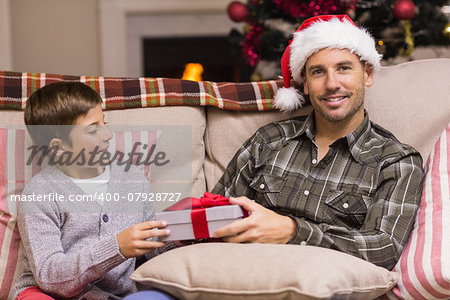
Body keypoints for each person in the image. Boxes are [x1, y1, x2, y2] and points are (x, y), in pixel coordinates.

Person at [211, 15, 424, 270]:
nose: (332, 84)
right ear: (306, 84)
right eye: (318, 72)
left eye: (344, 68)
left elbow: (383, 248)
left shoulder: (396, 161)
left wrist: (292, 231)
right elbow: (213, 215)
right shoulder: (268, 140)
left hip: (326, 283)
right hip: (246, 272)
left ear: (367, 74)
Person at [12, 82, 175, 299]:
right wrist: (116, 247)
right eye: (93, 129)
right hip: (50, 292)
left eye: (104, 122)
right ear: (59, 147)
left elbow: (151, 246)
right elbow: (49, 275)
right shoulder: (40, 194)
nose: (107, 134)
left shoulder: (132, 179)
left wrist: (182, 237)